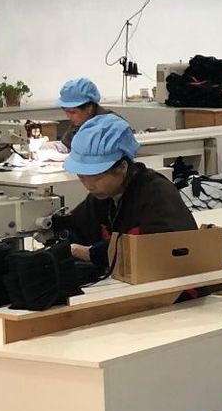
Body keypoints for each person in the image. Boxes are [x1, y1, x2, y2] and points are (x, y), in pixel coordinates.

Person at [61, 114, 196, 273]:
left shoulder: (156, 194)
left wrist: (91, 253)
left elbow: (158, 249)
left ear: (122, 167)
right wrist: (61, 238)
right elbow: (77, 227)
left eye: (95, 176)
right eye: (82, 177)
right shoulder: (102, 196)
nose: (89, 185)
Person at [55, 77, 112, 145]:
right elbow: (66, 144)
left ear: (89, 108)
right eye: (66, 112)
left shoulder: (110, 128)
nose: (68, 116)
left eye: (72, 112)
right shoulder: (79, 123)